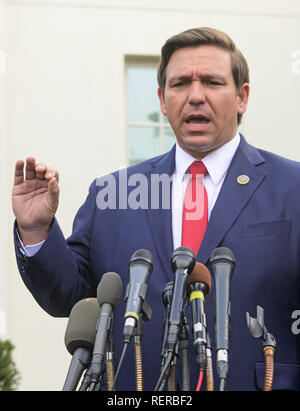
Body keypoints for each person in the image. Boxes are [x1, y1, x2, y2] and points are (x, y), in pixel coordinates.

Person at [12, 27, 300, 391]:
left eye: (212, 82)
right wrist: (36, 230)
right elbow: (68, 296)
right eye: (180, 84)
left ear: (242, 97)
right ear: (163, 100)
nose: (195, 97)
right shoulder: (113, 194)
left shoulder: (292, 187)